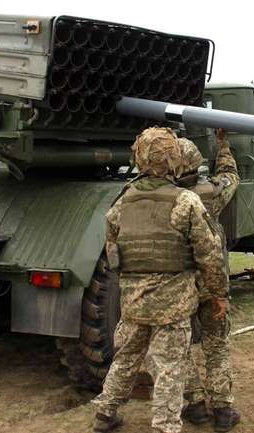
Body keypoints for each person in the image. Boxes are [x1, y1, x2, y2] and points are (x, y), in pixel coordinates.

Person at [92, 126, 230, 433]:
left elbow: (113, 252)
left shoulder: (122, 202)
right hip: (173, 305)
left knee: (126, 359)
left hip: (134, 302)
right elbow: (209, 255)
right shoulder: (186, 201)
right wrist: (218, 293)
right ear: (175, 159)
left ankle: (105, 413)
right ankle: (166, 426)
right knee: (171, 368)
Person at [177, 128, 241, 432]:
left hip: (179, 286)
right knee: (216, 345)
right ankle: (224, 410)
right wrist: (223, 145)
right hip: (212, 283)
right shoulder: (210, 193)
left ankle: (196, 405)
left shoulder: (166, 198)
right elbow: (231, 176)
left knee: (181, 346)